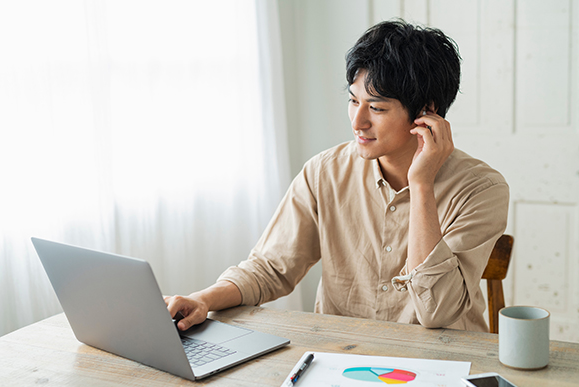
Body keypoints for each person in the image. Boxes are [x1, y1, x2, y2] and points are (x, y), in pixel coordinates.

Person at [165, 19, 509, 333]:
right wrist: (205, 299)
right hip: (342, 360)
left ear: (426, 113)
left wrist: (421, 185)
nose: (357, 122)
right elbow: (271, 268)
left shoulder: (482, 189)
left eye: (376, 108)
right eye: (352, 100)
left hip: (440, 367)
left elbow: (438, 312)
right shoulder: (324, 172)